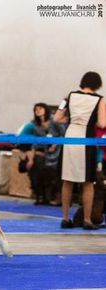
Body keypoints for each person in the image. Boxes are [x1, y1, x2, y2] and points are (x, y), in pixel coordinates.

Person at [54, 71, 106, 230]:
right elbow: (102, 124)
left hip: (70, 136)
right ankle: (87, 220)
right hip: (86, 138)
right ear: (98, 84)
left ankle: (65, 219)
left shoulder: (69, 96)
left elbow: (57, 118)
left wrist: (71, 120)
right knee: (88, 182)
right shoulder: (100, 100)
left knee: (67, 180)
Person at [25, 103, 64, 205]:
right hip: (46, 152)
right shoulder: (36, 126)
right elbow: (35, 142)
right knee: (42, 172)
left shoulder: (54, 121)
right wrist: (31, 157)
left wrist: (55, 144)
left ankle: (59, 198)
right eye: (35, 109)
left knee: (58, 175)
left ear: (46, 110)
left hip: (59, 150)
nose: (37, 110)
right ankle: (44, 197)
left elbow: (63, 134)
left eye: (40, 108)